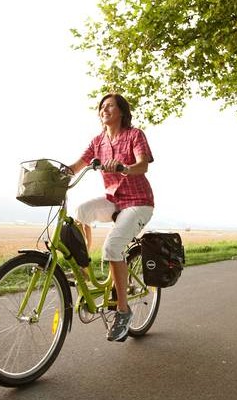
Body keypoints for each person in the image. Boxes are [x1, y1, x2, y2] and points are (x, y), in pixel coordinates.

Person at [68, 93, 154, 342]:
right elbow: (77, 166)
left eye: (110, 106)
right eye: (101, 107)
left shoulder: (134, 135)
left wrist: (125, 168)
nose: (104, 110)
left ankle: (123, 312)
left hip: (138, 202)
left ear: (121, 111)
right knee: (81, 211)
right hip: (114, 200)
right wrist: (59, 173)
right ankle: (85, 277)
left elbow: (143, 165)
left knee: (113, 247)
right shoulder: (98, 141)